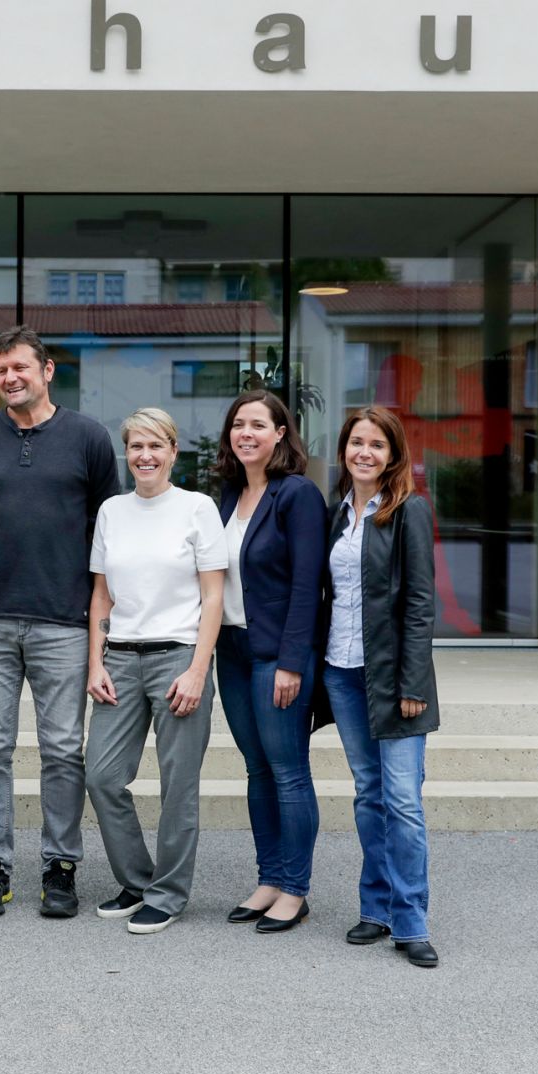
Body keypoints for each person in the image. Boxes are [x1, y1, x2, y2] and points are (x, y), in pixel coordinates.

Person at [0, 325, 121, 918]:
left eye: (20, 367)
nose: (10, 378)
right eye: (1, 370)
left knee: (63, 749)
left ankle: (60, 867)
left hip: (64, 619)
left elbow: (106, 531)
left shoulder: (89, 438)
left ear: (47, 371)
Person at [84, 408, 228, 935]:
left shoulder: (197, 508)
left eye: (155, 446)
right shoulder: (112, 511)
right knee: (101, 775)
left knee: (177, 786)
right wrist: (95, 662)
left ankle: (167, 895)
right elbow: (101, 595)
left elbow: (214, 597)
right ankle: (138, 880)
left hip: (178, 657)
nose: (145, 456)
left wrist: (197, 670)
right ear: (127, 452)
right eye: (136, 446)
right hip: (120, 658)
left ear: (172, 451)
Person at [321, 406, 442, 968]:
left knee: (403, 801)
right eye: (356, 442)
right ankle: (375, 908)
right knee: (369, 793)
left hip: (394, 678)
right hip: (341, 671)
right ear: (344, 449)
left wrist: (413, 681)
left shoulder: (408, 510)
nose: (364, 452)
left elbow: (419, 603)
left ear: (393, 455)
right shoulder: (338, 513)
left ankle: (411, 920)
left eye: (376, 444)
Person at [212, 391, 328, 933]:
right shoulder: (227, 495)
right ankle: (269, 879)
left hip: (277, 654)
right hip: (232, 650)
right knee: (257, 769)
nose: (246, 433)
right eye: (239, 424)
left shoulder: (297, 494)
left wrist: (292, 662)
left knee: (288, 771)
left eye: (259, 424)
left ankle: (295, 889)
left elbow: (308, 585)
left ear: (281, 433)